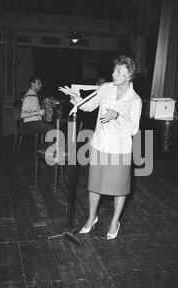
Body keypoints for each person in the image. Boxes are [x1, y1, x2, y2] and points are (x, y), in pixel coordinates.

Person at [59, 55, 142, 240]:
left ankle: (114, 222)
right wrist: (77, 98)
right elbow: (88, 107)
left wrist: (117, 116)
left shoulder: (135, 100)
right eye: (115, 70)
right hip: (100, 144)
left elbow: (134, 128)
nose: (114, 73)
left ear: (129, 75)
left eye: (119, 71)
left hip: (120, 149)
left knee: (119, 188)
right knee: (94, 186)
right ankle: (91, 218)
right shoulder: (105, 88)